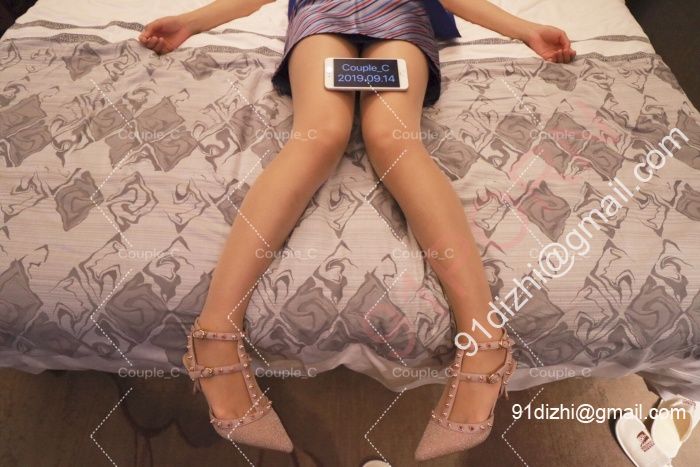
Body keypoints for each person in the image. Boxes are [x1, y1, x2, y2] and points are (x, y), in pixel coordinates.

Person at [139, 0, 575, 461]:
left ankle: (485, 342)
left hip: (400, 12)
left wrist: (525, 29)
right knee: (318, 135)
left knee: (394, 138)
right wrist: (192, 21)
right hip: (322, 10)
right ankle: (213, 335)